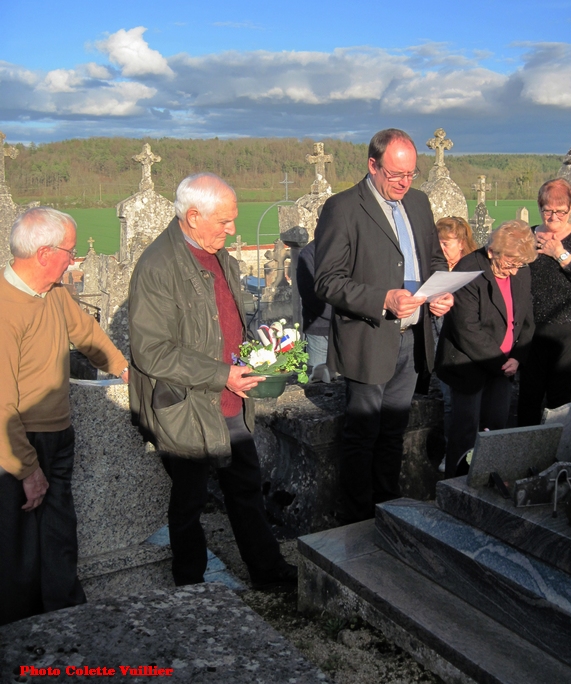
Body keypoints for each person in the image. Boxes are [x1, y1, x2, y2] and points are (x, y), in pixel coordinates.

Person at [128, 173, 297, 589]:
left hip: (230, 400)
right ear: (192, 216)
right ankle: (191, 585)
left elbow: (225, 322)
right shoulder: (157, 265)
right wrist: (222, 374)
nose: (232, 230)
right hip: (186, 405)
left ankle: (269, 573)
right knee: (189, 504)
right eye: (224, 221)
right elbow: (151, 351)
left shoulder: (219, 255)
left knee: (246, 491)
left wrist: (259, 352)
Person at [314, 128, 453, 523]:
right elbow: (327, 280)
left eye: (411, 175)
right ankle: (358, 521)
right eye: (396, 175)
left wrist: (441, 291)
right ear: (372, 165)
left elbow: (434, 260)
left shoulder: (420, 203)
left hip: (412, 340)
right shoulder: (342, 208)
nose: (404, 184)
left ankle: (388, 509)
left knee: (394, 431)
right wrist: (383, 299)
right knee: (362, 436)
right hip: (369, 338)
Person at [0, 207, 129, 626]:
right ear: (43, 254)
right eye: (69, 252)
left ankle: (66, 620)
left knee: (58, 532)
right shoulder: (5, 310)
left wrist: (125, 370)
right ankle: (20, 632)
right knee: (17, 546)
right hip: (18, 442)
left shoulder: (55, 291)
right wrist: (26, 468)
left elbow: (87, 336)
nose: (74, 260)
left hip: (58, 432)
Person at [435, 220, 537, 478]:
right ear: (492, 252)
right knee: (465, 431)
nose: (513, 272)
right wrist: (501, 363)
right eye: (509, 264)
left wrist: (518, 357)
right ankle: (456, 484)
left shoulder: (520, 270)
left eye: (519, 265)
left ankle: (489, 481)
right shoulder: (468, 270)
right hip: (468, 365)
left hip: (504, 366)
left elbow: (525, 318)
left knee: (496, 427)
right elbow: (467, 329)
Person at [517, 179, 571, 426]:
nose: (554, 216)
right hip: (531, 329)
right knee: (528, 396)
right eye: (548, 210)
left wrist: (561, 254)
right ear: (539, 206)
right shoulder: (528, 236)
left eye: (561, 211)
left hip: (570, 332)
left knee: (559, 398)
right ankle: (523, 452)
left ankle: (555, 455)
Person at [433, 217, 477, 471]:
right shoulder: (436, 268)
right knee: (449, 401)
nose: (441, 247)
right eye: (437, 241)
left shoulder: (469, 269)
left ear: (461, 243)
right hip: (439, 340)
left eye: (446, 242)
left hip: (464, 343)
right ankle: (452, 452)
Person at [296, 205, 332, 381]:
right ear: (317, 222)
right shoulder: (308, 254)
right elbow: (310, 295)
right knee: (318, 383)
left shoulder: (349, 250)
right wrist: (339, 315)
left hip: (348, 330)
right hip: (319, 330)